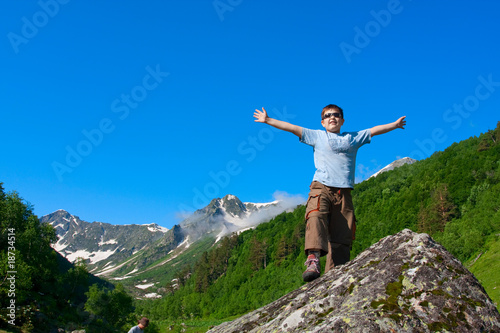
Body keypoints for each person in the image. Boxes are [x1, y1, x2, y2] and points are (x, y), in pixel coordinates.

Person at [254, 104, 406, 282]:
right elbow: (292, 128)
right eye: (328, 116)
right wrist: (268, 120)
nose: (332, 117)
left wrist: (394, 125)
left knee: (343, 234)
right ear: (322, 122)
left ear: (342, 120)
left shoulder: (353, 137)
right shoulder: (317, 135)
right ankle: (313, 260)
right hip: (321, 187)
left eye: (336, 115)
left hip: (344, 192)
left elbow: (374, 130)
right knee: (315, 215)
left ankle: (335, 276)